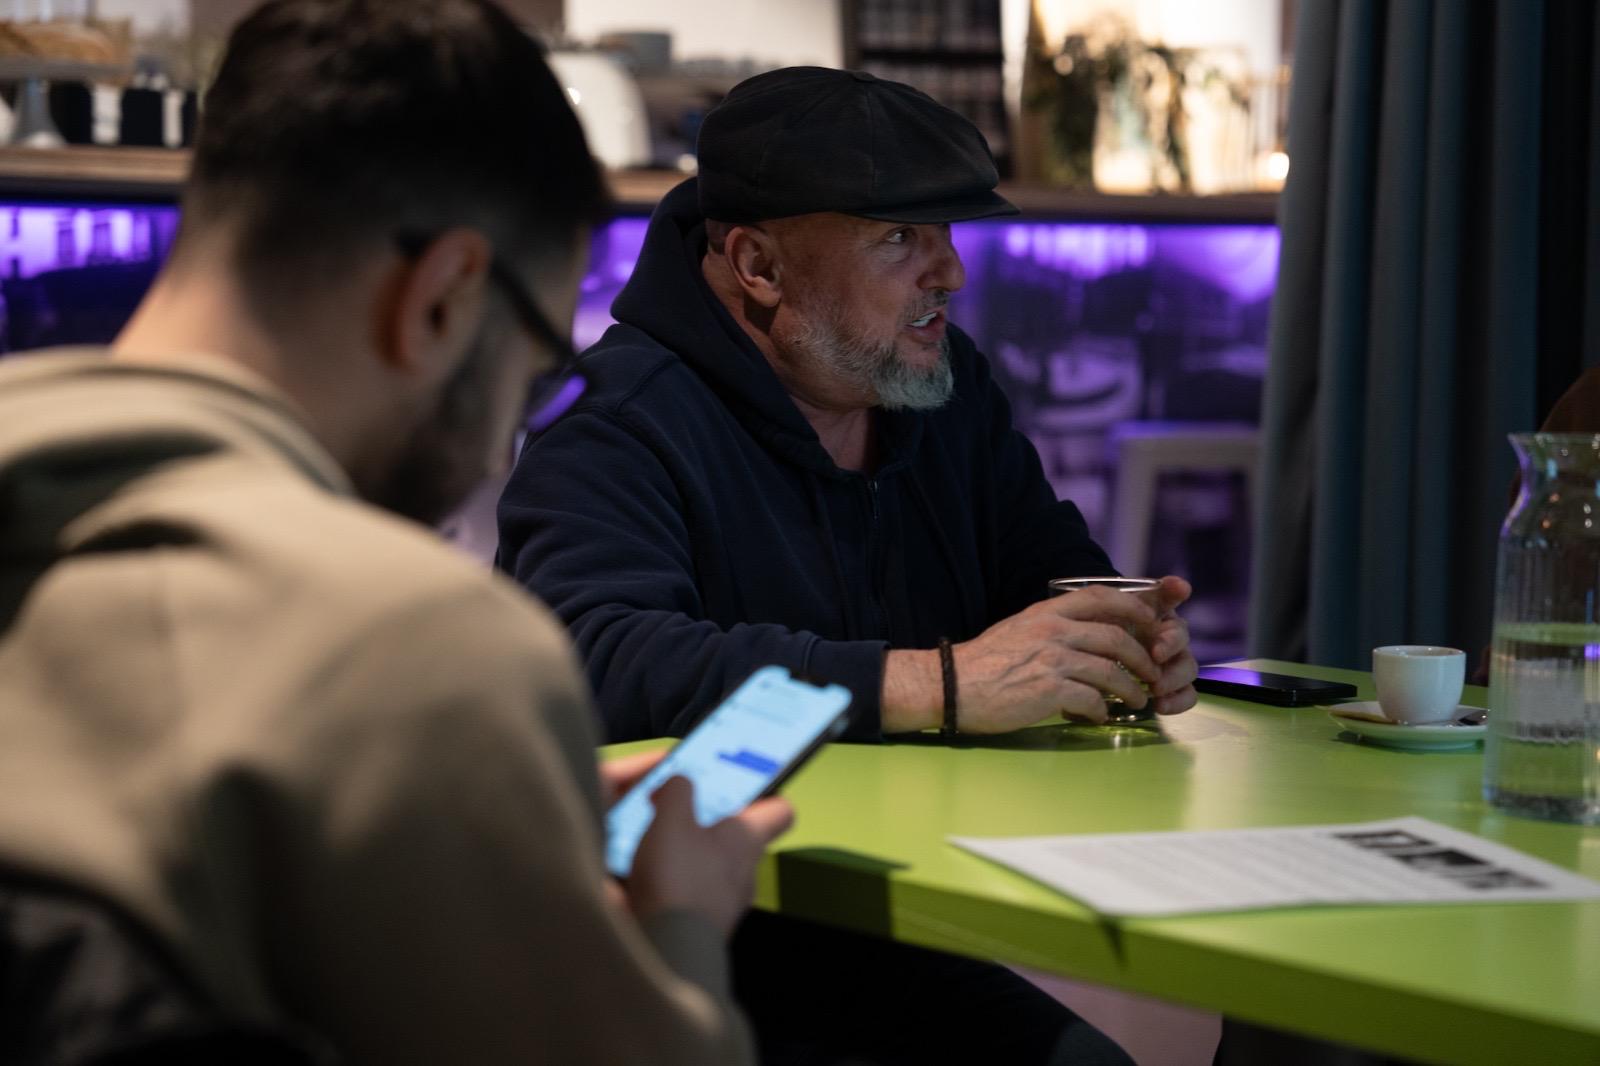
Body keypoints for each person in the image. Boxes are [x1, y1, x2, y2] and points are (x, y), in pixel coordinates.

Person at [0, 2, 789, 1063]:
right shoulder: (409, 641)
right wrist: (682, 921)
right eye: (535, 367)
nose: (504, 438)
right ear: (443, 298)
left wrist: (473, 783)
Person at [498, 67, 1198, 1065]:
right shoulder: (618, 425)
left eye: (946, 232)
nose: (950, 272)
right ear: (758, 265)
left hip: (892, 920)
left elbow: (1046, 572)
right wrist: (937, 682)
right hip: (677, 944)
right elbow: (594, 662)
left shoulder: (942, 392)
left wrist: (1117, 639)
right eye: (899, 238)